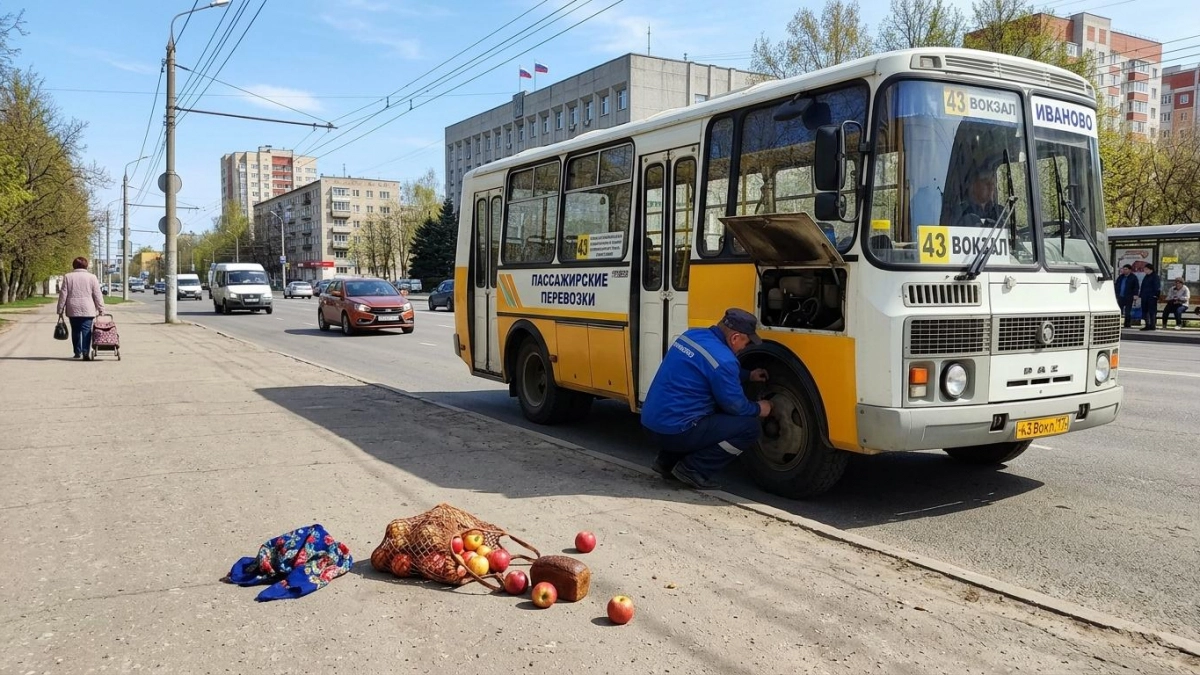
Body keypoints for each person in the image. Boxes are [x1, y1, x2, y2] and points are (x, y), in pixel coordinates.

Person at [640, 308, 772, 489]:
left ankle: (665, 462)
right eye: (746, 342)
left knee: (695, 409)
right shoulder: (724, 360)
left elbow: (709, 368)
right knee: (749, 428)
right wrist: (760, 408)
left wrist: (748, 375)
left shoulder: (691, 336)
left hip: (650, 423)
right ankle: (694, 470)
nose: (745, 347)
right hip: (676, 433)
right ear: (735, 338)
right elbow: (736, 407)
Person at [56, 256, 105, 360]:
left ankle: (77, 352)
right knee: (87, 330)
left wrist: (60, 309)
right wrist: (101, 309)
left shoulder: (68, 277)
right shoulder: (92, 277)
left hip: (73, 308)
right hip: (88, 308)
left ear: (74, 265)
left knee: (75, 330)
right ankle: (86, 352)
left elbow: (63, 294)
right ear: (86, 265)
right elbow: (97, 294)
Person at [1114, 264, 1140, 328]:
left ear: (1130, 270)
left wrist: (1135, 294)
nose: (1124, 270)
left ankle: (1127, 324)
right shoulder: (1120, 277)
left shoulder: (1133, 277)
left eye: (1126, 269)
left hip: (1129, 296)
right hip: (1120, 296)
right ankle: (1117, 324)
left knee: (1128, 311)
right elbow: (1117, 285)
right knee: (1119, 311)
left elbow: (1136, 287)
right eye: (1123, 269)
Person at [1139, 263, 1162, 331]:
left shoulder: (1155, 276)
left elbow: (1157, 287)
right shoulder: (1146, 276)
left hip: (1152, 297)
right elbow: (1143, 286)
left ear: (1150, 269)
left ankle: (1152, 325)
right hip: (1145, 296)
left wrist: (1156, 295)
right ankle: (1147, 325)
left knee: (1152, 311)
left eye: (1146, 269)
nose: (1145, 271)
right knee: (1145, 311)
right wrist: (1141, 295)